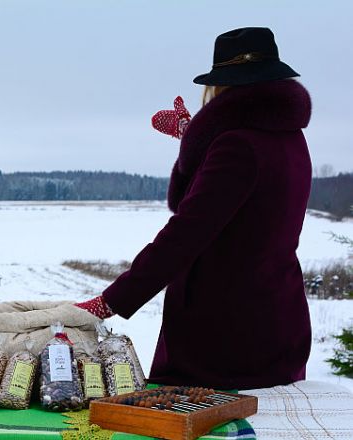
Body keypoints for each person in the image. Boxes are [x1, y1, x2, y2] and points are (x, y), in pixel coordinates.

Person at [76, 27, 312, 390]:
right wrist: (197, 137)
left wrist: (111, 301)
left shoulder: (236, 145)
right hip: (278, 318)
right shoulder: (289, 137)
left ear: (223, 87)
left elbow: (186, 233)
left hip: (225, 332)